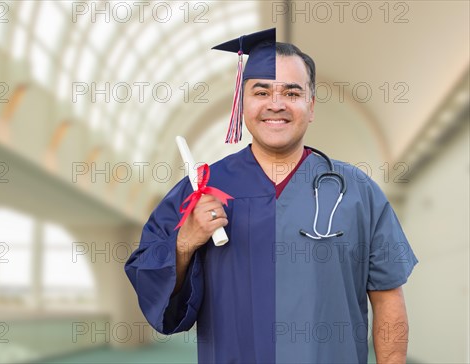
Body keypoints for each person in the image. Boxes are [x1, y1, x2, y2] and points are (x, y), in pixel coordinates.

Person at [125, 28, 418, 364]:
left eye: (292, 93)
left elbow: (388, 298)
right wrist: (185, 242)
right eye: (261, 92)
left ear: (311, 105)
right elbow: (148, 282)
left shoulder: (356, 190)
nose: (276, 105)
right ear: (242, 102)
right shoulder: (200, 188)